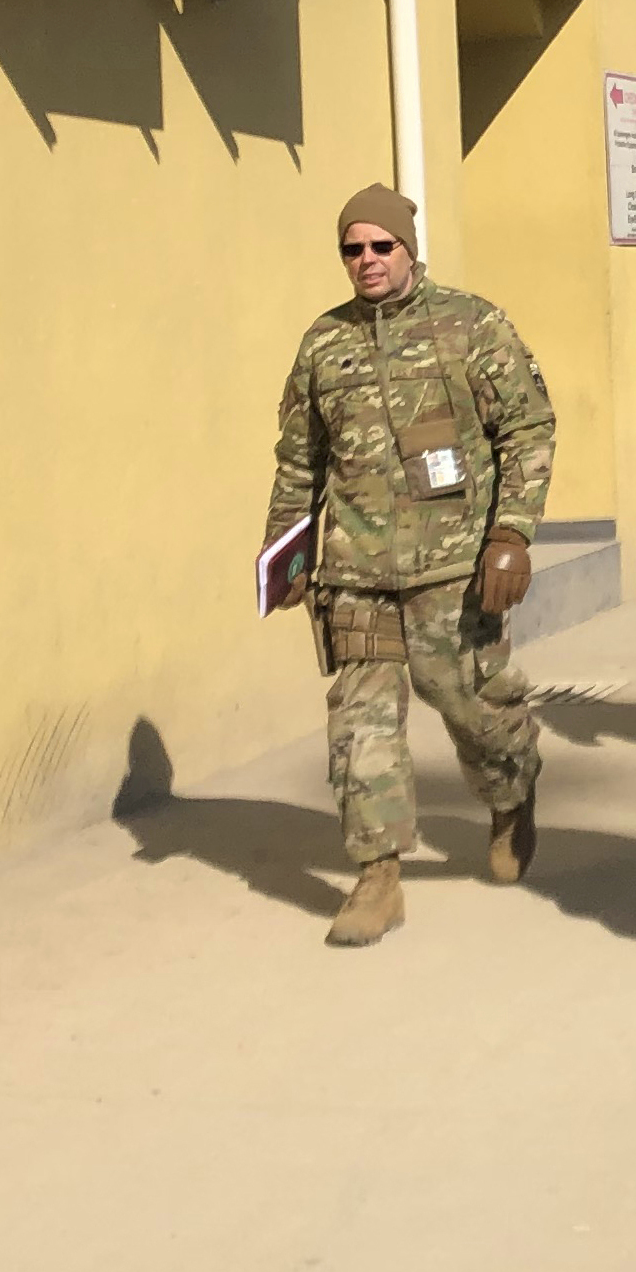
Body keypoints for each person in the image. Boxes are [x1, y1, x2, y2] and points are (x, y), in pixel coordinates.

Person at [264, 183, 557, 949]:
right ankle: (377, 875)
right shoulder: (323, 344)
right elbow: (300, 459)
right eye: (351, 249)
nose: (365, 260)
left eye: (379, 246)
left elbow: (527, 427)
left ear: (406, 247)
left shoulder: (469, 325)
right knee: (360, 725)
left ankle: (510, 792)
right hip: (355, 573)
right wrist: (288, 549)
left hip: (454, 569)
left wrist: (513, 535)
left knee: (472, 706)